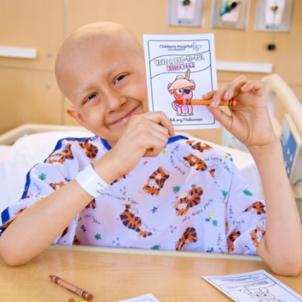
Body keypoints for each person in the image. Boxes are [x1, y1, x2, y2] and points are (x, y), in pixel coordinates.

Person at [0, 22, 301, 275]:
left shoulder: (209, 166)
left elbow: (289, 261)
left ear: (154, 75)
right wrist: (112, 164)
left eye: (120, 78)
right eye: (91, 97)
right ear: (79, 118)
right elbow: (13, 250)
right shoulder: (68, 163)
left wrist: (264, 148)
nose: (115, 101)